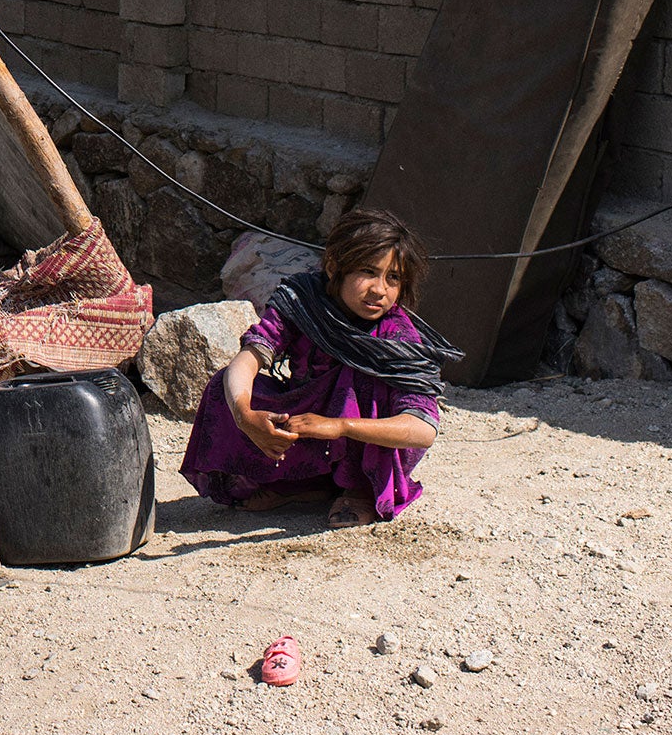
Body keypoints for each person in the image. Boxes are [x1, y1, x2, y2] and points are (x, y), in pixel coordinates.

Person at [180, 210, 462, 527]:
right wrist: (245, 415)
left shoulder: (399, 340)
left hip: (351, 438)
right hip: (308, 428)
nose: (379, 289)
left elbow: (422, 430)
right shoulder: (304, 301)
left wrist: (339, 426)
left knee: (358, 379)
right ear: (333, 267)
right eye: (368, 271)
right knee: (226, 386)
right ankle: (303, 486)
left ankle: (358, 491)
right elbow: (251, 355)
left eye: (392, 278)